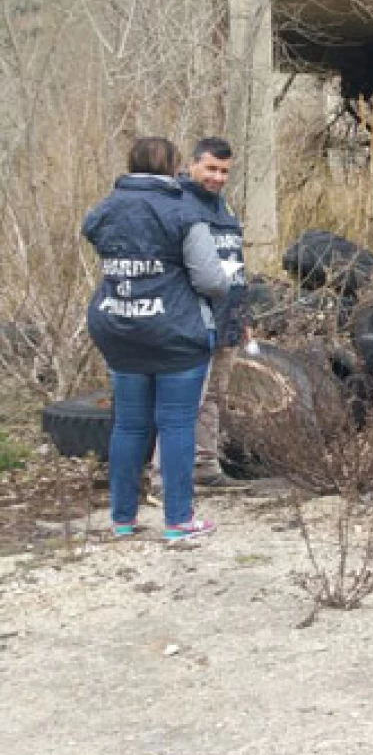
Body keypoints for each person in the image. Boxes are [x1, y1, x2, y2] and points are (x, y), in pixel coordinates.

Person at [83, 136, 228, 543]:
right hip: (176, 333)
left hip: (119, 327)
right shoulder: (183, 212)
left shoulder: (106, 210)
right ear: (174, 167)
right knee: (176, 423)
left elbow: (98, 239)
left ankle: (123, 520)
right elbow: (211, 280)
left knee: (129, 425)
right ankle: (179, 520)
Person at [179, 137, 249, 488]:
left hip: (228, 318)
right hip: (192, 320)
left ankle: (205, 467)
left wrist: (242, 317)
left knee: (214, 397)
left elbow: (234, 263)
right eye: (211, 168)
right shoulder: (179, 204)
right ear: (192, 164)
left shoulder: (224, 208)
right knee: (186, 398)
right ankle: (170, 474)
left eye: (224, 171)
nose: (218, 177)